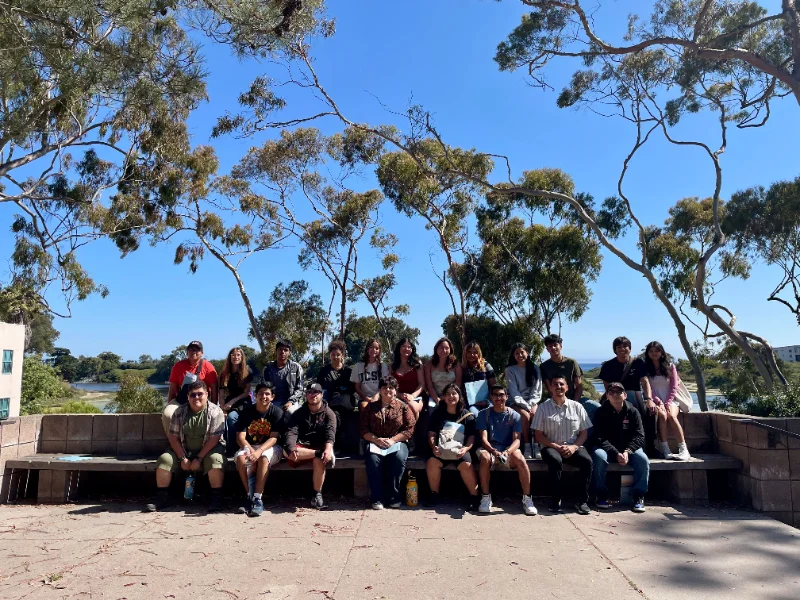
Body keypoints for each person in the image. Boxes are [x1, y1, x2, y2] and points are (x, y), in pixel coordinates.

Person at [147, 380, 225, 512]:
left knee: (215, 460)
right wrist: (183, 458)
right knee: (164, 460)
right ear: (188, 396)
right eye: (192, 395)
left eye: (200, 394)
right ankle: (162, 499)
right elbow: (173, 437)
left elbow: (214, 439)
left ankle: (216, 499)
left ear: (207, 394)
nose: (196, 398)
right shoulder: (179, 412)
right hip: (184, 450)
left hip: (209, 450)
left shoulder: (216, 412)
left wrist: (198, 459)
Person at [532, 375, 593, 515]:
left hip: (573, 446)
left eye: (561, 384)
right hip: (550, 447)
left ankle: (582, 501)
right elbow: (539, 435)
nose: (558, 387)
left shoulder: (577, 407)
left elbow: (584, 433)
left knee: (587, 461)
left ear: (567, 387)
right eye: (555, 384)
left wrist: (573, 447)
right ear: (551, 388)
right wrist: (555, 446)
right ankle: (555, 499)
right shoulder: (543, 408)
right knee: (555, 460)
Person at [475, 384, 538, 516]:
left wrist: (507, 452)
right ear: (491, 397)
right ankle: (486, 497)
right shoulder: (483, 414)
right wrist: (494, 452)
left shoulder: (514, 415)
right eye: (495, 395)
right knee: (485, 457)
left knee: (520, 459)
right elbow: (484, 439)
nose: (498, 398)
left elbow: (517, 440)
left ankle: (527, 498)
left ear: (506, 397)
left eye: (501, 395)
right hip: (490, 448)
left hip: (507, 449)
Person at [591, 381, 649, 513]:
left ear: (625, 395)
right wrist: (616, 452)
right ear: (607, 395)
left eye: (619, 392)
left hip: (629, 449)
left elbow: (640, 436)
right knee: (598, 456)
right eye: (612, 392)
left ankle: (638, 496)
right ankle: (601, 494)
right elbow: (599, 437)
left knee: (643, 459)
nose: (616, 395)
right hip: (607, 448)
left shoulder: (633, 411)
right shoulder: (601, 412)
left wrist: (628, 451)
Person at [359, 376, 416, 510]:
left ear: (396, 391)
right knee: (372, 460)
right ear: (379, 390)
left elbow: (409, 429)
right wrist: (375, 439)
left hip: (397, 442)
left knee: (398, 458)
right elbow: (363, 429)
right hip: (375, 441)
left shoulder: (403, 407)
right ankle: (377, 498)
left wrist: (392, 440)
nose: (388, 390)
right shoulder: (370, 407)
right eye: (384, 387)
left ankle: (394, 497)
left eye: (391, 387)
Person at [598, 336, 657, 455]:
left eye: (625, 346)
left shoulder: (637, 363)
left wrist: (649, 399)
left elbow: (645, 382)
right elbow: (607, 387)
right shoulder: (608, 366)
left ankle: (650, 447)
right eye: (619, 347)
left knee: (650, 412)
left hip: (635, 396)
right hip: (615, 397)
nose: (622, 349)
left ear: (629, 349)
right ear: (614, 350)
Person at [426, 383, 480, 511]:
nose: (451, 396)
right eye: (448, 394)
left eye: (454, 393)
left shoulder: (467, 415)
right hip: (441, 449)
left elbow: (472, 436)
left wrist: (466, 449)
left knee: (466, 465)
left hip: (459, 450)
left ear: (459, 396)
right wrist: (433, 447)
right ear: (444, 397)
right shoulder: (437, 414)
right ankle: (434, 494)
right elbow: (431, 434)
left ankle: (474, 497)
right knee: (432, 462)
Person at [234, 382, 285, 517]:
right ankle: (248, 496)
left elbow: (274, 438)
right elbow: (240, 437)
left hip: (271, 447)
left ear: (272, 397)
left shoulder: (277, 412)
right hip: (250, 446)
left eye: (267, 394)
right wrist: (251, 450)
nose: (264, 396)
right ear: (255, 395)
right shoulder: (247, 411)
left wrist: (258, 452)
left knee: (263, 458)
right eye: (261, 393)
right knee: (241, 458)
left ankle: (257, 499)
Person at [284, 381, 337, 509]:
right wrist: (291, 447)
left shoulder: (329, 414)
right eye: (309, 392)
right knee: (288, 452)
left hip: (319, 447)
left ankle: (317, 495)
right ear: (305, 395)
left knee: (320, 458)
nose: (312, 395)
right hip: (302, 448)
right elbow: (291, 433)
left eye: (316, 392)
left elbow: (331, 434)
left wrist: (328, 449)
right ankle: (317, 454)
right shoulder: (298, 413)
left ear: (322, 395)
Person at [644, 341, 691, 461]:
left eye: (657, 350)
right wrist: (658, 402)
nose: (654, 353)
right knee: (662, 415)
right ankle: (666, 449)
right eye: (651, 351)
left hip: (671, 399)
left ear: (662, 352)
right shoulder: (646, 368)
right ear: (648, 353)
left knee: (671, 415)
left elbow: (674, 386)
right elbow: (648, 387)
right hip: (656, 400)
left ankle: (683, 449)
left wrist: (668, 402)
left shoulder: (670, 366)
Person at [540, 334, 600, 422]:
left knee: (598, 408)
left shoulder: (571, 363)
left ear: (560, 346)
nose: (553, 348)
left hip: (576, 399)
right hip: (556, 401)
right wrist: (562, 404)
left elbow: (579, 386)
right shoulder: (544, 366)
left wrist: (574, 404)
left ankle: (591, 435)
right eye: (550, 346)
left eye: (555, 345)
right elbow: (550, 389)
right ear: (547, 349)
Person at [162, 340, 219, 435]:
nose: (194, 352)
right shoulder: (178, 366)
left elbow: (214, 388)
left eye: (197, 350)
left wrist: (213, 406)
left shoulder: (208, 366)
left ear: (202, 353)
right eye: (191, 349)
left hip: (200, 401)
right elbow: (173, 388)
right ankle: (174, 442)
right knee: (168, 414)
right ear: (187, 352)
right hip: (182, 400)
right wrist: (170, 404)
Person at [504, 343, 542, 459]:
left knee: (536, 414)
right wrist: (526, 406)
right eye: (517, 353)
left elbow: (537, 390)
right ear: (513, 356)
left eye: (522, 352)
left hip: (532, 401)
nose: (520, 355)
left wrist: (531, 404)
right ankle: (527, 446)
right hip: (515, 402)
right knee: (525, 416)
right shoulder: (510, 370)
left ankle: (536, 445)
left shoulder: (535, 368)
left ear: (527, 353)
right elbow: (514, 392)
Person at [316, 340, 356, 450]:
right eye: (333, 354)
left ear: (342, 355)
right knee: (332, 412)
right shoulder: (324, 371)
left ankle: (336, 443)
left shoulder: (348, 371)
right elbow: (319, 388)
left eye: (338, 354)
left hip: (345, 401)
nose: (335, 357)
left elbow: (352, 389)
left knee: (336, 412)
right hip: (329, 400)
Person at [219, 347, 254, 456]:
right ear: (229, 357)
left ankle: (237, 447)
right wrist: (222, 408)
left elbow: (246, 392)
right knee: (225, 417)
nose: (235, 357)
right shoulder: (224, 373)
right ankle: (230, 447)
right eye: (233, 355)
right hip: (229, 402)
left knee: (233, 417)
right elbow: (221, 394)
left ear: (242, 357)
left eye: (238, 355)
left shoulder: (247, 371)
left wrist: (232, 402)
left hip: (243, 401)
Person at [263, 339, 304, 414]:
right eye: (280, 349)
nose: (283, 352)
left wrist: (291, 402)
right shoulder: (268, 368)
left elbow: (300, 389)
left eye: (286, 350)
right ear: (276, 351)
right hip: (272, 401)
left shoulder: (296, 367)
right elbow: (263, 387)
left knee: (291, 412)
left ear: (289, 353)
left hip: (290, 401)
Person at [424, 337, 462, 410]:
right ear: (436, 349)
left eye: (447, 348)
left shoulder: (456, 364)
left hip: (452, 396)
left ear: (450, 349)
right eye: (441, 348)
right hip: (434, 397)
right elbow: (429, 386)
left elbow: (458, 383)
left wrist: (447, 397)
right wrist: (437, 399)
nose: (444, 350)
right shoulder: (429, 365)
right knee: (431, 413)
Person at [351, 338, 390, 410]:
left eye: (377, 348)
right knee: (364, 407)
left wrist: (376, 397)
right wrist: (366, 398)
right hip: (364, 398)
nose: (374, 350)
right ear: (367, 349)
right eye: (371, 347)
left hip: (380, 397)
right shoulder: (358, 366)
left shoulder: (383, 366)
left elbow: (385, 385)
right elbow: (357, 387)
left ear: (379, 351)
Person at [390, 338, 424, 418]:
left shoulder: (417, 364)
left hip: (416, 396)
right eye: (403, 346)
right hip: (398, 396)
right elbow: (390, 386)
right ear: (399, 348)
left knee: (413, 408)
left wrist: (412, 396)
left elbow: (422, 384)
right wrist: (399, 395)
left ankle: (412, 430)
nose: (407, 349)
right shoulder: (392, 366)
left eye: (409, 347)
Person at [461, 341, 496, 418]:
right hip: (471, 404)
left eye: (475, 352)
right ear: (465, 353)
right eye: (469, 352)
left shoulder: (486, 365)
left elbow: (494, 386)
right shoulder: (462, 368)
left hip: (487, 401)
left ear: (479, 353)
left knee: (492, 415)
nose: (472, 355)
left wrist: (486, 401)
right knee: (477, 416)